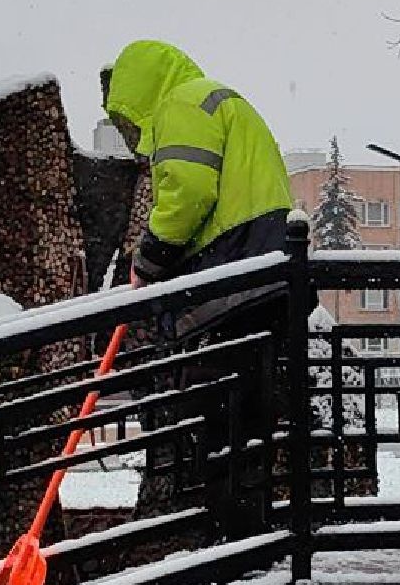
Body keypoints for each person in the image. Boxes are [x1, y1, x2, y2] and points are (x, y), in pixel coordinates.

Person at [102, 40, 294, 533]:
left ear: (138, 91)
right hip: (263, 275)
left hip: (233, 280)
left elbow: (187, 193)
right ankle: (247, 538)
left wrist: (148, 259)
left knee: (215, 417)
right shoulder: (214, 99)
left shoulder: (181, 104)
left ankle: (233, 544)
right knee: (244, 421)